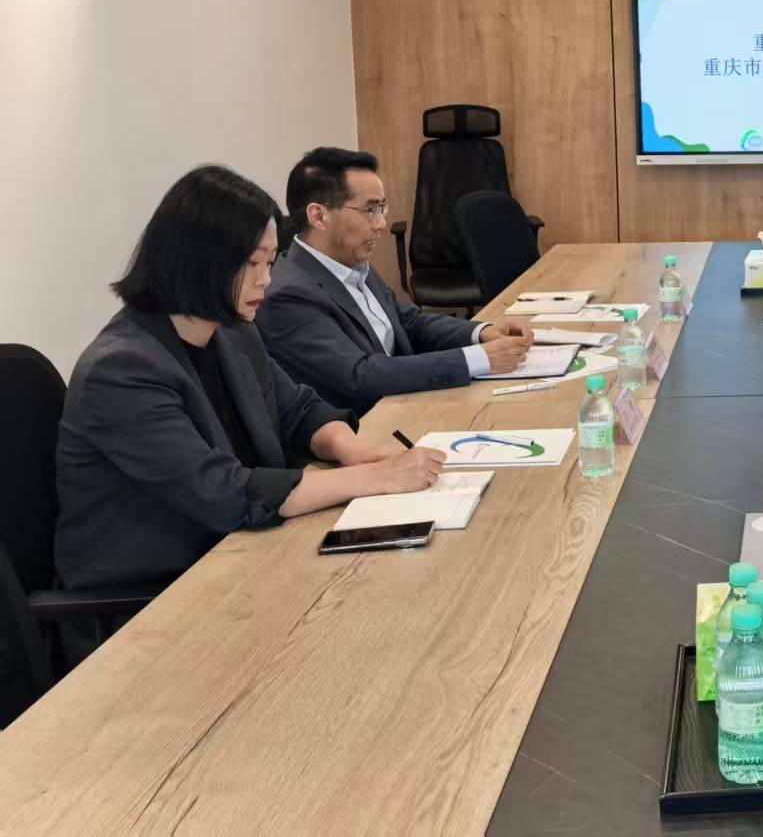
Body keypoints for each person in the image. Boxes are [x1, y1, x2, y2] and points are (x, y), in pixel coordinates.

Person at [57, 166, 445, 592]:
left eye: (270, 261)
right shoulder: (121, 372)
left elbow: (297, 410)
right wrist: (378, 478)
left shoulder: (230, 333)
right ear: (198, 261)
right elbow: (222, 493)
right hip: (158, 594)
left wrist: (350, 448)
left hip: (246, 553)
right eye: (251, 263)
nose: (266, 279)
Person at [258, 147, 533, 416]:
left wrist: (481, 332)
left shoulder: (351, 262)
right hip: (365, 426)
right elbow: (360, 375)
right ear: (319, 216)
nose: (380, 224)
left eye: (382, 208)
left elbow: (408, 322)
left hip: (405, 402)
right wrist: (478, 359)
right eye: (370, 210)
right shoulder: (287, 296)